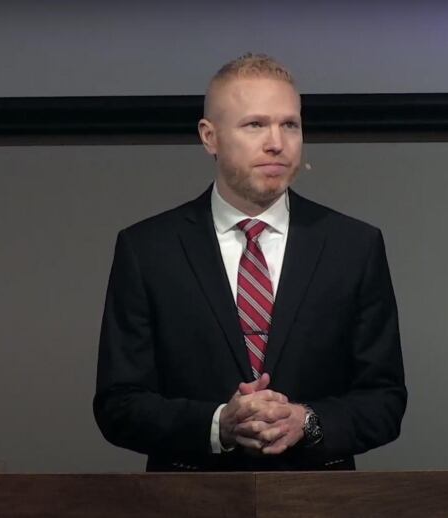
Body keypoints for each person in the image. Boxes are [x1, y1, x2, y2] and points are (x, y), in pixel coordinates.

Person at [93, 53, 407, 471]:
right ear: (210, 137)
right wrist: (218, 424)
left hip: (318, 501)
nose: (276, 142)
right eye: (255, 124)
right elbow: (119, 403)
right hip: (189, 501)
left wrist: (308, 422)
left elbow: (384, 398)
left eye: (290, 124)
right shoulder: (148, 249)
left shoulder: (354, 246)